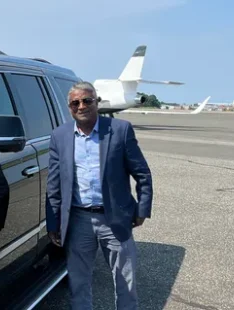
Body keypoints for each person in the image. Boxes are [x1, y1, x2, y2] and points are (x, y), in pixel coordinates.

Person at [45, 81, 153, 310]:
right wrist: (53, 223)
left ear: (97, 102)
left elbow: (142, 173)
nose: (81, 106)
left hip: (114, 219)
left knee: (126, 283)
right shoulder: (60, 136)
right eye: (75, 103)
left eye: (87, 100)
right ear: (69, 107)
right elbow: (54, 185)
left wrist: (142, 210)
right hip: (78, 221)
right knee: (78, 283)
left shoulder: (120, 130)